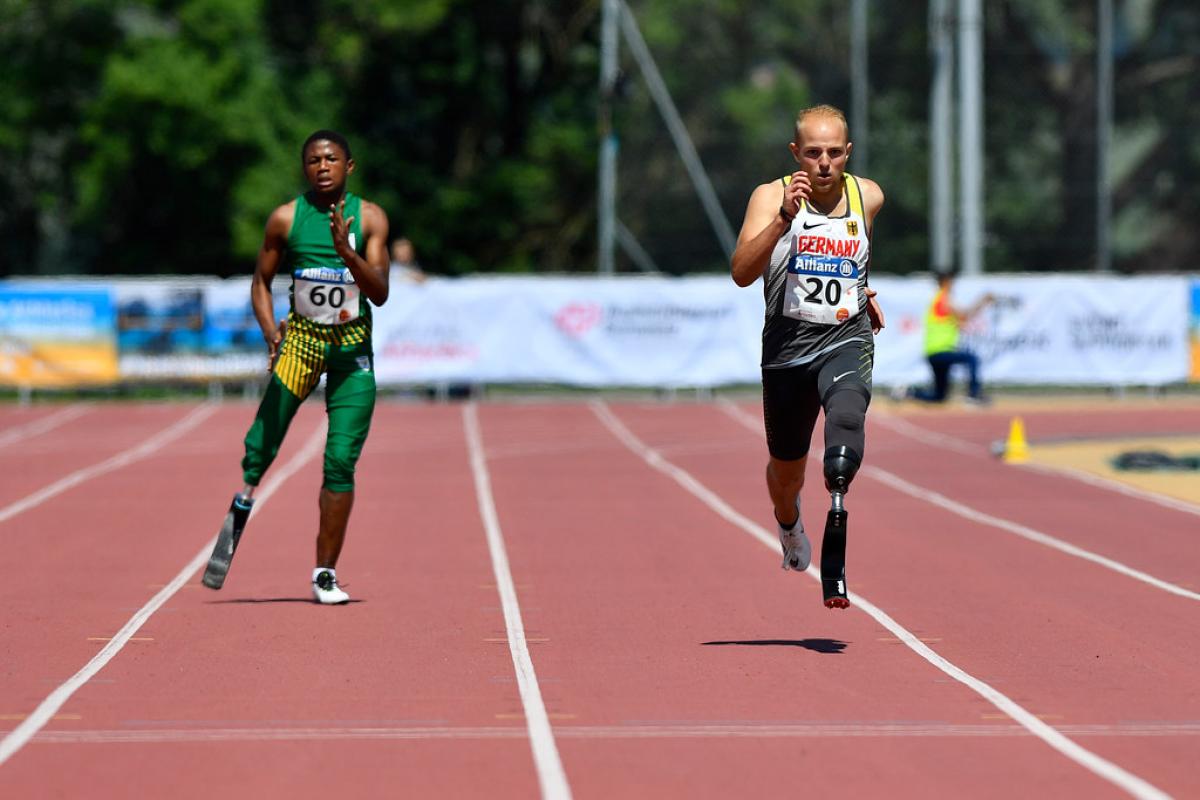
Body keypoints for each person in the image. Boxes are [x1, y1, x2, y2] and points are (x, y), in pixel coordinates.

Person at [202, 129, 390, 604]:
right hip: (301, 348)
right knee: (262, 443)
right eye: (312, 160)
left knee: (341, 462)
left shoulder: (370, 217)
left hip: (352, 356)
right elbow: (261, 283)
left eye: (331, 158)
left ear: (349, 166)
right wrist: (271, 331)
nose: (321, 166)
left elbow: (381, 292)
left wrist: (347, 253)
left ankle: (324, 573)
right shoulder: (286, 218)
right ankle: (244, 499)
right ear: (303, 168)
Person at [730, 104, 885, 610]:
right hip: (787, 353)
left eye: (834, 153)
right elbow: (741, 272)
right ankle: (788, 521)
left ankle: (838, 490)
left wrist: (866, 292)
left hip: (845, 337)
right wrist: (781, 221)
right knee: (786, 474)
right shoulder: (770, 196)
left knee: (847, 414)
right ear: (795, 153)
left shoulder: (868, 196)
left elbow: (850, 259)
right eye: (813, 153)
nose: (823, 163)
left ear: (848, 154)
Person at [906, 271, 994, 404]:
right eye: (951, 282)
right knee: (972, 359)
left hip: (933, 352)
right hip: (942, 350)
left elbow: (959, 320)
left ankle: (908, 393)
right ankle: (974, 394)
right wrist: (982, 302)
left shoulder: (936, 300)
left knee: (939, 396)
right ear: (946, 282)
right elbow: (964, 315)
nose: (953, 285)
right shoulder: (944, 299)